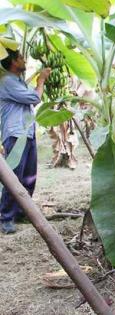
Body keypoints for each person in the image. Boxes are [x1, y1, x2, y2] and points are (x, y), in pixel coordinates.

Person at [0, 48, 50, 234]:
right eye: (20, 57)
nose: (24, 60)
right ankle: (6, 217)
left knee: (29, 176)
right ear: (13, 62)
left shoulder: (19, 82)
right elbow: (35, 97)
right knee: (14, 178)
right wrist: (42, 80)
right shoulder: (6, 82)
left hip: (27, 133)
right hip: (14, 134)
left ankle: (21, 212)